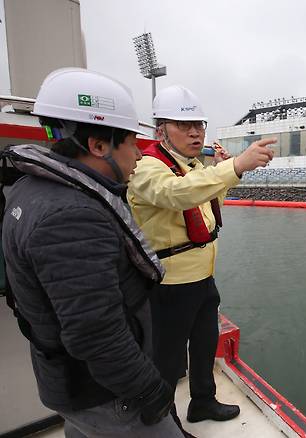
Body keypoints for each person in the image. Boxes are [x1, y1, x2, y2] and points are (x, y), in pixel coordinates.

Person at [1, 68, 182, 437]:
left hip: (72, 382)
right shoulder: (72, 217)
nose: (138, 153)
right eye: (131, 142)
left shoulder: (30, 188)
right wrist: (150, 389)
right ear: (99, 145)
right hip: (108, 392)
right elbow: (95, 333)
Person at [127, 85, 275, 429]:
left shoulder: (194, 166)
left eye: (199, 124)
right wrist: (234, 166)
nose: (195, 132)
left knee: (206, 342)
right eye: (184, 125)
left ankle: (203, 402)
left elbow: (207, 203)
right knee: (166, 358)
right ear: (160, 130)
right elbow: (178, 195)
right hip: (169, 283)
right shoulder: (148, 167)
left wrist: (229, 174)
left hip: (202, 277)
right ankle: (165, 423)